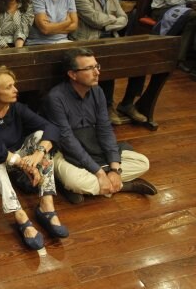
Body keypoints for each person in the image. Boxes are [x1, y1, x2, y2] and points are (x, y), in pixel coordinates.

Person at [0, 66, 68, 250]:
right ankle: (19, 214)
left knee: (40, 136)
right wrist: (21, 162)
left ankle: (46, 204)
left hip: (15, 157)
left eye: (15, 85)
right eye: (8, 87)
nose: (15, 90)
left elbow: (51, 127)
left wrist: (38, 154)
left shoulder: (16, 108)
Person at [42, 48, 158, 204]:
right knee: (75, 181)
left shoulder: (98, 92)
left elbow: (105, 130)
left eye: (97, 66)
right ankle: (127, 186)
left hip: (93, 145)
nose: (97, 72)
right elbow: (67, 140)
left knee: (143, 163)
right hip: (65, 151)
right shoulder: (55, 98)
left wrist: (115, 170)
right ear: (72, 74)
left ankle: (89, 188)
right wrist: (100, 173)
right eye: (89, 68)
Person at [73, 0, 148, 125]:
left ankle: (127, 103)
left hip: (110, 38)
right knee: (108, 61)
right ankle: (107, 105)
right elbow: (94, 21)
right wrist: (114, 20)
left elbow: (124, 18)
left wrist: (111, 20)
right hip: (90, 41)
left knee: (141, 61)